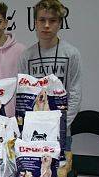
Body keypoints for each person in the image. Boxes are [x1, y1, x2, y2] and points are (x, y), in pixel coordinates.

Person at [18, 0, 81, 133]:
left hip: (61, 128)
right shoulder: (26, 56)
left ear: (59, 24)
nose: (46, 25)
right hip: (33, 127)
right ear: (35, 23)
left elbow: (75, 94)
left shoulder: (71, 53)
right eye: (42, 20)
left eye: (52, 20)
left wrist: (62, 123)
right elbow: (23, 96)